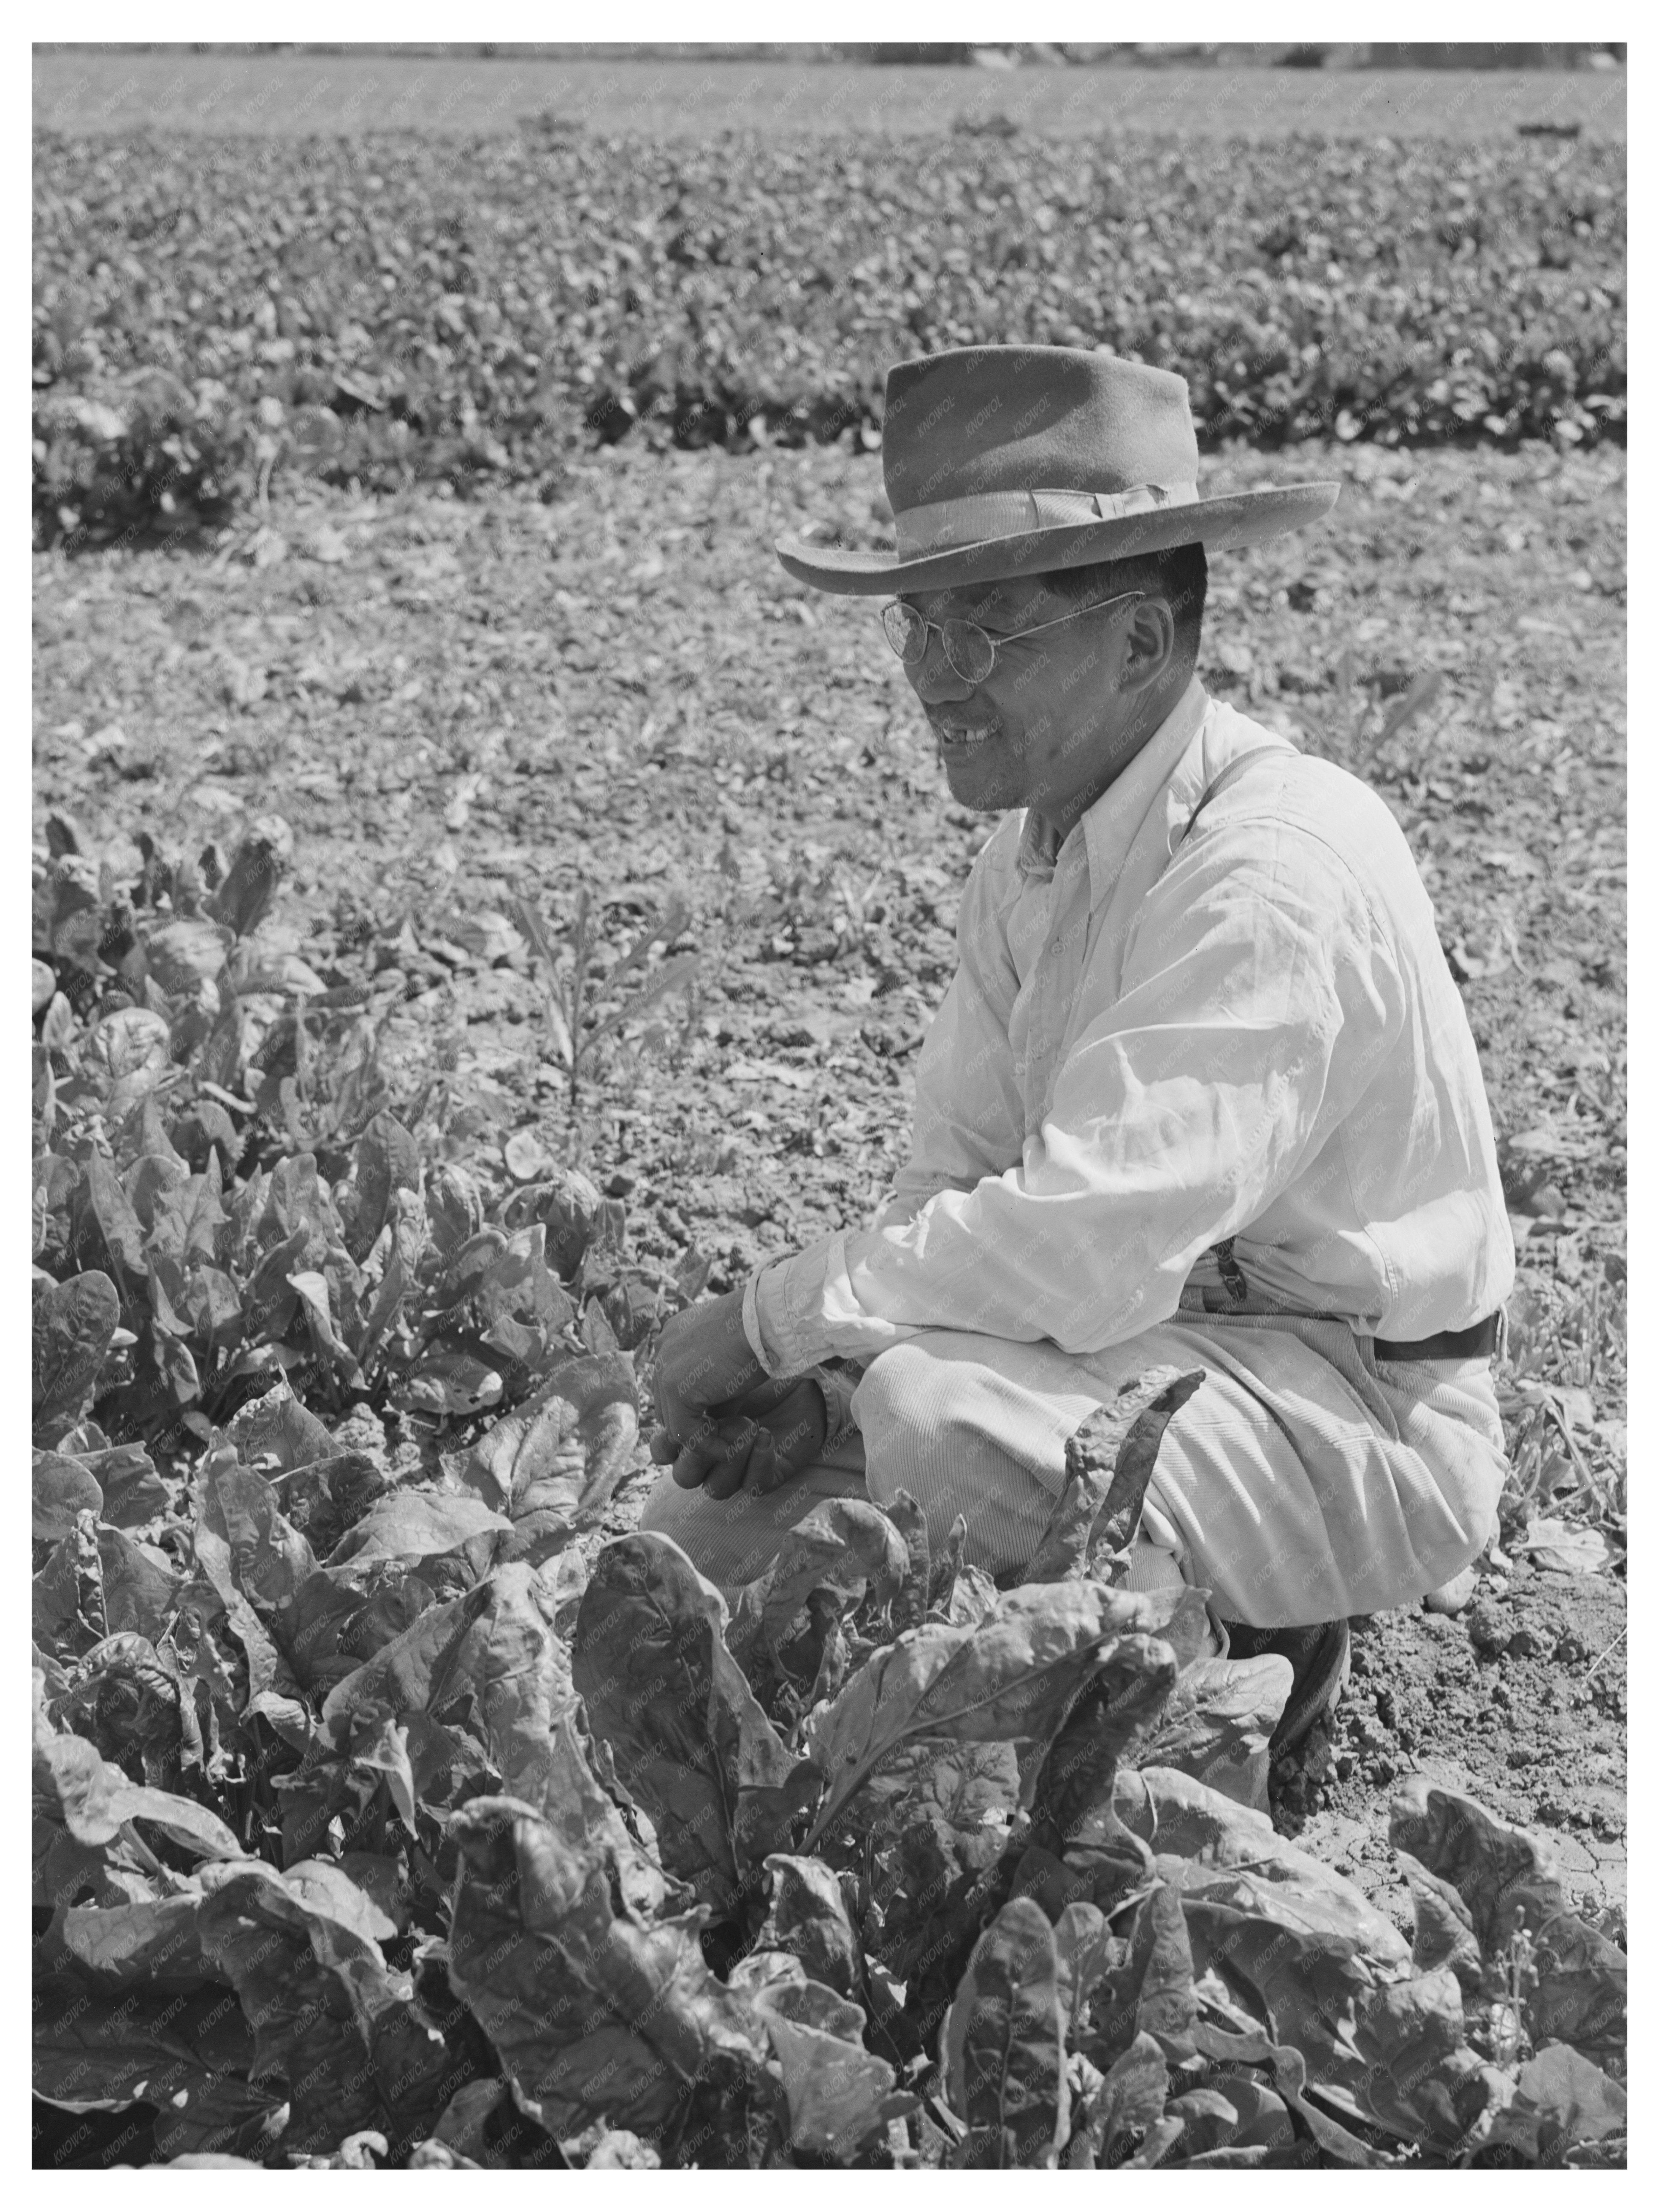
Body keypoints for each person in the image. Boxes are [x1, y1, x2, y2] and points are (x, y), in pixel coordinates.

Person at [641, 344, 1514, 1753]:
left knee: (936, 1421)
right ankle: (1142, 1622)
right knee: (694, 1541)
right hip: (1141, 1348)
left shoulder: (1269, 868)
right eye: (919, 628)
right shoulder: (1030, 857)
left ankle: (1216, 1697)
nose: (932, 681)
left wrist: (772, 1326)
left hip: (1356, 1407)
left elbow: (1080, 1245)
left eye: (984, 631)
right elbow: (955, 1186)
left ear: (1141, 644)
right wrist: (820, 1384)